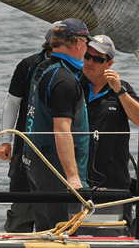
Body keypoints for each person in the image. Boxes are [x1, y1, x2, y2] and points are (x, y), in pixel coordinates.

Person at [23, 18, 93, 232]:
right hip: (57, 169)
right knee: (64, 230)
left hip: (37, 162)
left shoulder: (44, 68)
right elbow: (62, 129)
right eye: (87, 43)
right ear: (80, 43)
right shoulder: (64, 80)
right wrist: (72, 177)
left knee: (46, 230)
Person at [0, 21, 59, 233]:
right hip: (25, 146)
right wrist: (5, 140)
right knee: (21, 206)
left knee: (54, 210)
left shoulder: (76, 67)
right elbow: (12, 101)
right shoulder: (28, 65)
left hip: (57, 148)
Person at [81, 34, 139, 191]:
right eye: (87, 56)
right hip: (78, 177)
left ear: (109, 64)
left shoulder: (121, 88)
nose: (90, 62)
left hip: (113, 176)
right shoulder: (73, 85)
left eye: (98, 60)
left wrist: (120, 91)